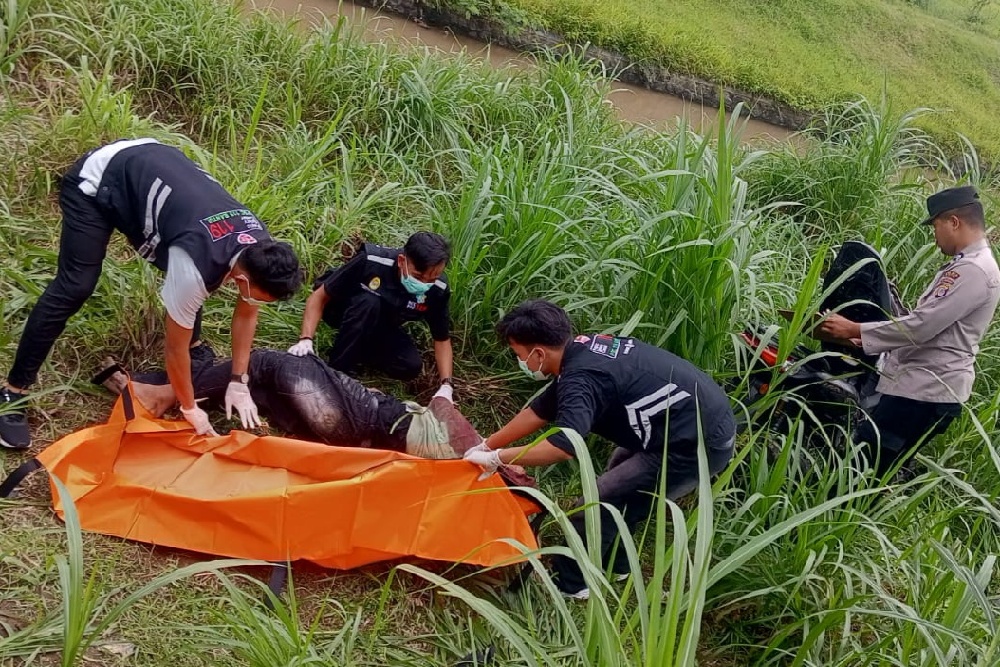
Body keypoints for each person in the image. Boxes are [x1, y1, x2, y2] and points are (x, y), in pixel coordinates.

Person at [0, 138, 303, 449]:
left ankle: (195, 346)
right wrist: (189, 408)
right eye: (257, 296)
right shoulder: (193, 267)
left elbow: (247, 312)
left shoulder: (262, 247)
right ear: (243, 277)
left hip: (156, 164)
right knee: (75, 285)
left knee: (198, 279)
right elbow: (173, 349)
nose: (254, 302)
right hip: (100, 178)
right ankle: (14, 393)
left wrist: (239, 381)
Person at [463, 300, 736, 599]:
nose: (520, 361)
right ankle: (617, 563)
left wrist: (497, 458)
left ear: (539, 353)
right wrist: (488, 444)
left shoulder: (582, 377)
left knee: (595, 503)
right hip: (681, 426)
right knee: (624, 485)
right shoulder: (583, 349)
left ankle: (572, 585)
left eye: (519, 354)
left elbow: (563, 446)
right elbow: (540, 411)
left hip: (694, 446)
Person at [122, 351, 532, 488]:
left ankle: (162, 395)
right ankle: (169, 391)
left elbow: (442, 408)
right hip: (340, 440)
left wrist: (445, 392)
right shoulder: (463, 472)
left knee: (264, 363)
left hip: (353, 415)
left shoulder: (475, 446)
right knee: (261, 392)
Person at [818, 185, 1000, 476]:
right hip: (919, 386)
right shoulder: (967, 266)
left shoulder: (973, 271)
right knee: (873, 458)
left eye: (936, 226)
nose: (934, 236)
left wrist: (853, 328)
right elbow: (929, 325)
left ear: (954, 222)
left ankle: (843, 514)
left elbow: (921, 327)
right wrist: (864, 339)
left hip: (926, 392)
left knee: (866, 465)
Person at [288, 232, 453, 390]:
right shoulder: (372, 261)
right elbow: (318, 297)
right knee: (369, 301)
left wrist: (446, 385)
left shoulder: (437, 290)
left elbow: (442, 339)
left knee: (409, 365)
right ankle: (338, 369)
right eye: (418, 277)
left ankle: (355, 350)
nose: (424, 283)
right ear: (402, 261)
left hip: (382, 323)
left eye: (432, 279)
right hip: (343, 310)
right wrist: (306, 339)